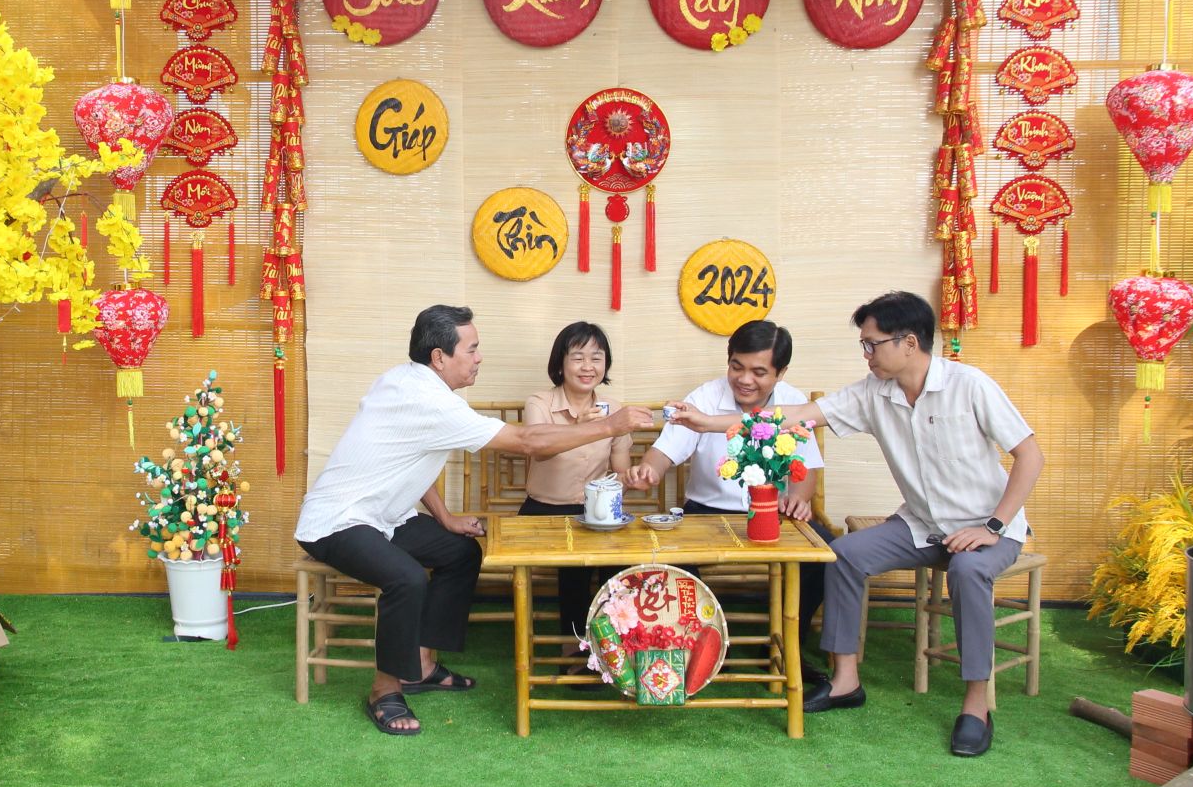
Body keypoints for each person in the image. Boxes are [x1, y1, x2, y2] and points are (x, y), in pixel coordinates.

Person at [666, 291, 1043, 757]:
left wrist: (993, 525)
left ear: (908, 343)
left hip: (989, 528)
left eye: (872, 344)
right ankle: (846, 681)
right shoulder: (872, 393)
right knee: (841, 554)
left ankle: (975, 706)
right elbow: (791, 417)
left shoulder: (970, 386)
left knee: (967, 571)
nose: (866, 353)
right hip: (922, 525)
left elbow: (1030, 456)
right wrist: (705, 422)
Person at [295, 305, 652, 736]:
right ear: (439, 357)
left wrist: (444, 518)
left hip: (386, 517)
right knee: (406, 578)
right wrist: (610, 426)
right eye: (472, 349)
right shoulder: (427, 399)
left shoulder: (408, 382)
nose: (480, 357)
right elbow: (527, 441)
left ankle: (422, 666)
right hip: (337, 521)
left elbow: (409, 459)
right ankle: (384, 689)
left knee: (461, 551)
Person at [626, 319, 831, 676]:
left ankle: (788, 647)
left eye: (758, 372)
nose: (744, 379)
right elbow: (665, 450)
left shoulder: (795, 404)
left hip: (773, 514)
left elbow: (807, 467)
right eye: (737, 366)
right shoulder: (704, 398)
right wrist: (649, 470)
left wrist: (799, 498)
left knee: (824, 556)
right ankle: (704, 647)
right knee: (669, 559)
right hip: (705, 512)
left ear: (781, 372)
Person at [518, 321, 634, 659]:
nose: (588, 367)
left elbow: (620, 471)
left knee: (620, 560)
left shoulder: (614, 409)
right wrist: (582, 428)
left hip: (593, 510)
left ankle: (614, 647)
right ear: (560, 363)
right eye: (578, 357)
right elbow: (540, 450)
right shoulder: (539, 402)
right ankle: (574, 652)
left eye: (596, 358)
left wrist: (635, 477)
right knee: (575, 566)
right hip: (543, 510)